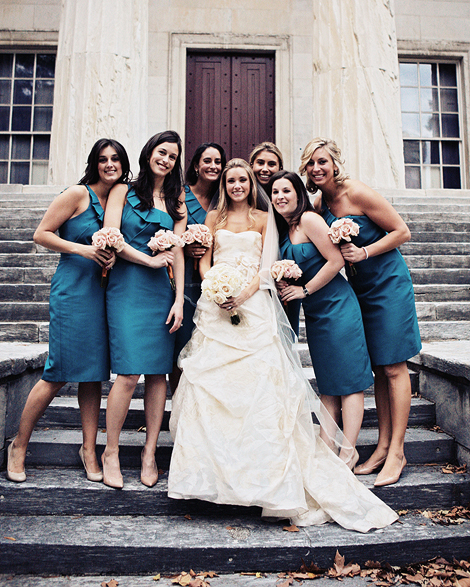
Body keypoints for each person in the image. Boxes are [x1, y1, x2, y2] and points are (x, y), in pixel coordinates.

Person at [168, 158, 398, 532]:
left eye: (243, 179)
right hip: (217, 309)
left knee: (260, 386)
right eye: (232, 180)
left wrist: (241, 293)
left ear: (250, 184)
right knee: (212, 388)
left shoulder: (265, 218)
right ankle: (210, 476)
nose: (238, 185)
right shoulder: (212, 220)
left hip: (253, 303)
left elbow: (267, 264)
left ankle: (267, 475)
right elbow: (204, 263)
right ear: (224, 184)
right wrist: (216, 287)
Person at [6, 138, 131, 483]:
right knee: (58, 371)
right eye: (103, 159)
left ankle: (88, 449)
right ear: (95, 162)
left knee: (93, 374)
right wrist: (85, 250)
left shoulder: (118, 199)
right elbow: (41, 234)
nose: (110, 164)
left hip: (105, 292)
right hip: (73, 291)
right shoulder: (77, 194)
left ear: (123, 164)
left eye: (116, 159)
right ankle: (19, 444)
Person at [300, 137, 422, 487]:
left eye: (322, 161)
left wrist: (365, 253)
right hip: (359, 290)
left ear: (335, 163)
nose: (317, 168)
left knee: (395, 367)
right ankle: (382, 446)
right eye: (310, 163)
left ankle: (398, 450)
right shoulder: (321, 203)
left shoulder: (357, 192)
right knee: (380, 369)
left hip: (387, 285)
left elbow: (402, 231)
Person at [270, 170, 373, 468]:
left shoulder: (308, 220)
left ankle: (349, 449)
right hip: (314, 312)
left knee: (350, 381)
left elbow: (337, 259)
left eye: (286, 190)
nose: (280, 197)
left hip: (337, 306)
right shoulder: (285, 228)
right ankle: (327, 443)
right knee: (328, 382)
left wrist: (304, 289)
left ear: (298, 193)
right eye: (275, 192)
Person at [102, 131, 186, 489]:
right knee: (127, 373)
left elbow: (178, 252)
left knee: (157, 375)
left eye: (172, 156)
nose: (165, 159)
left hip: (159, 294)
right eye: (161, 152)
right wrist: (149, 262)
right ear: (149, 152)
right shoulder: (123, 190)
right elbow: (111, 236)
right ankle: (110, 451)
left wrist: (180, 298)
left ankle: (149, 452)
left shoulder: (176, 199)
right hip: (127, 287)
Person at [169, 142, 226, 394]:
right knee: (182, 348)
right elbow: (172, 236)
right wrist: (185, 248)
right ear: (196, 165)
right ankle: (180, 411)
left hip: (216, 281)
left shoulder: (225, 198)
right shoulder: (182, 193)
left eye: (217, 162)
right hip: (186, 280)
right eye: (207, 160)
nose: (213, 166)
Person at [249, 142, 301, 336]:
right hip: (250, 277)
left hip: (284, 278)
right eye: (260, 162)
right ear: (251, 165)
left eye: (271, 164)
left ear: (280, 168)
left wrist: (285, 272)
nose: (265, 169)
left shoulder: (288, 199)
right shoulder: (242, 197)